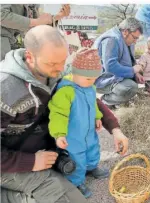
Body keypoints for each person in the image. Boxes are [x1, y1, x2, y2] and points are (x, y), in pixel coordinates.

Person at [0, 25, 128, 203]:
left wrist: (114, 129)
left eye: (63, 61)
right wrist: (30, 161)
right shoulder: (5, 89)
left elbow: (87, 96)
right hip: (13, 160)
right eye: (52, 64)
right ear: (30, 56)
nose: (60, 69)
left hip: (50, 150)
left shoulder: (56, 72)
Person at [48, 48, 109, 198]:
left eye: (94, 79)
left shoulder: (90, 87)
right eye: (88, 78)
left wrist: (97, 117)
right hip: (73, 136)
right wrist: (59, 134)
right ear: (75, 73)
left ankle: (92, 167)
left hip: (88, 132)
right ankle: (76, 182)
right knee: (77, 159)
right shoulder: (66, 91)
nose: (92, 82)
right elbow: (58, 114)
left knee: (93, 149)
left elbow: (93, 104)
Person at [93, 18, 144, 108]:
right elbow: (110, 66)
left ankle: (115, 100)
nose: (135, 41)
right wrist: (132, 70)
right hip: (102, 80)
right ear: (125, 32)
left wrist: (136, 73)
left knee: (139, 78)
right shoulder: (111, 40)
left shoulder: (126, 39)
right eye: (135, 38)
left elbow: (129, 61)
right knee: (130, 87)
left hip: (115, 76)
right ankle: (104, 102)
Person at [0, 4, 70, 60]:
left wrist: (55, 17)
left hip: (16, 46)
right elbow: (1, 15)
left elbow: (34, 22)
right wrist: (36, 22)